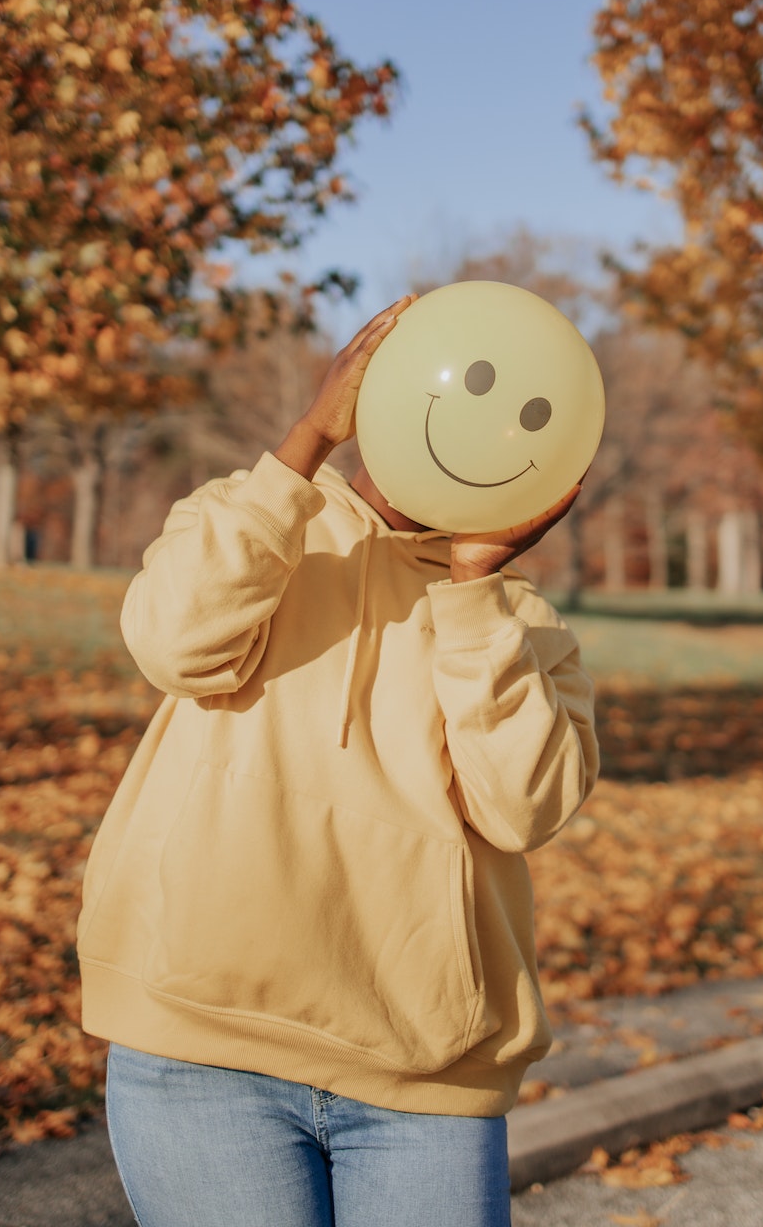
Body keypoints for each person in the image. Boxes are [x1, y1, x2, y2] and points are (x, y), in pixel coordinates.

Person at [76, 296, 600, 1227]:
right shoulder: (255, 522)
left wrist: (474, 593)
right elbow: (175, 645)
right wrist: (305, 443)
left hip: (425, 1076)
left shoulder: (521, 627)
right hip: (201, 1056)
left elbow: (522, 808)